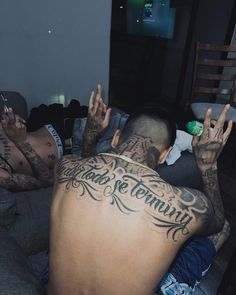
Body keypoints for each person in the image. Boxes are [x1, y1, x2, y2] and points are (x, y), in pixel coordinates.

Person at [48, 83, 233, 295]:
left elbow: (89, 169)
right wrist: (208, 166)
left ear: (116, 138)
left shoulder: (65, 167)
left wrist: (90, 133)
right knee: (223, 229)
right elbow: (218, 222)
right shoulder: (186, 205)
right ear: (166, 154)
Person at [0, 108, 63, 191]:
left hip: (55, 125)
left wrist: (12, 119)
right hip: (68, 154)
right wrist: (21, 142)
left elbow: (9, 118)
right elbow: (47, 181)